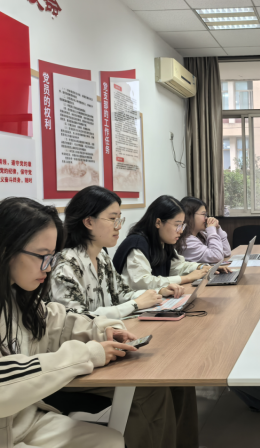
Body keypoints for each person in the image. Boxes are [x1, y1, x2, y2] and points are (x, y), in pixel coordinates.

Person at [0, 197, 134, 448]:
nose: (49, 268)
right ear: (7, 249)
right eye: (43, 256)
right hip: (10, 423)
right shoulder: (70, 263)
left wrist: (102, 329)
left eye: (51, 257)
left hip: (23, 419)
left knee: (112, 440)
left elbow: (57, 321)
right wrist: (88, 353)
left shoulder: (17, 295)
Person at [48, 186, 184, 319]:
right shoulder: (65, 266)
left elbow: (122, 293)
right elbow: (77, 319)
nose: (118, 226)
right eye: (113, 219)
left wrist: (159, 292)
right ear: (89, 222)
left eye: (119, 219)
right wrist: (135, 304)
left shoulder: (102, 257)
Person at [113, 195, 219, 290]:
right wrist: (186, 278)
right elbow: (142, 282)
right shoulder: (137, 244)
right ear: (158, 222)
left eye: (182, 225)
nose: (181, 231)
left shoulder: (163, 242)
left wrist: (202, 268)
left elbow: (177, 267)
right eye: (177, 225)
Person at [178, 196, 231, 264]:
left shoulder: (201, 234)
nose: (206, 218)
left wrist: (217, 229)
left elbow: (226, 252)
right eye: (203, 214)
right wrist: (212, 230)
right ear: (189, 216)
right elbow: (217, 257)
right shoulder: (186, 242)